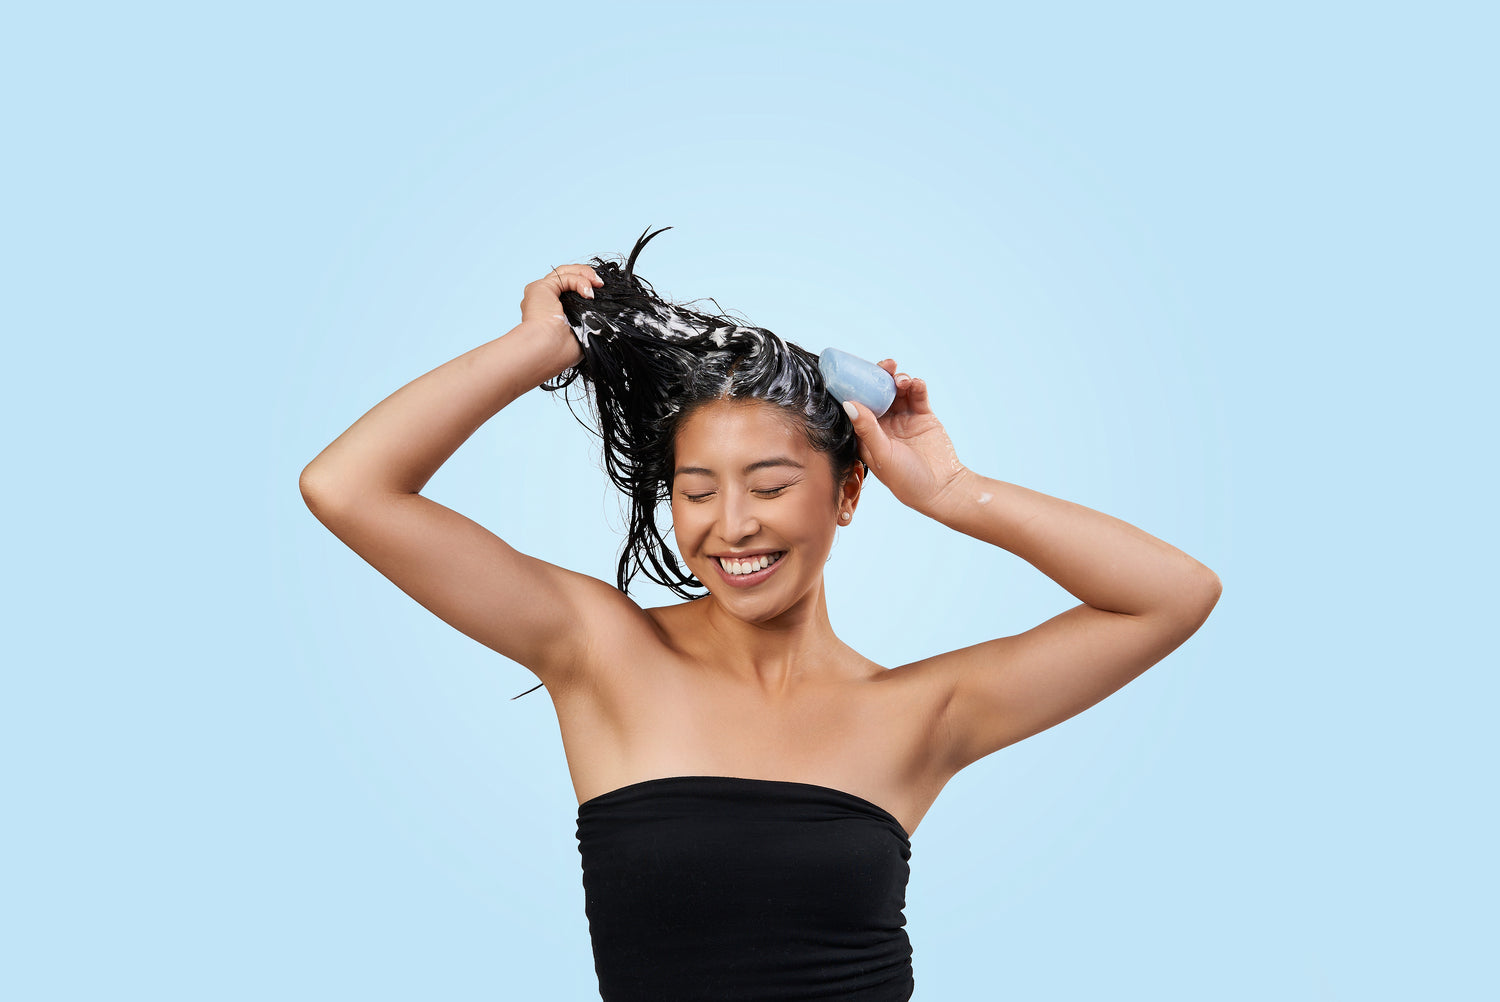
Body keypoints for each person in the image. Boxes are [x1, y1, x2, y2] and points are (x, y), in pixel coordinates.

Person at [298, 226, 1223, 1001]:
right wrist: (539, 350)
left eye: (771, 486)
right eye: (697, 492)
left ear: (847, 493)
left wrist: (951, 491)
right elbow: (347, 487)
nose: (732, 525)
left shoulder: (921, 712)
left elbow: (1173, 595)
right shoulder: (598, 649)